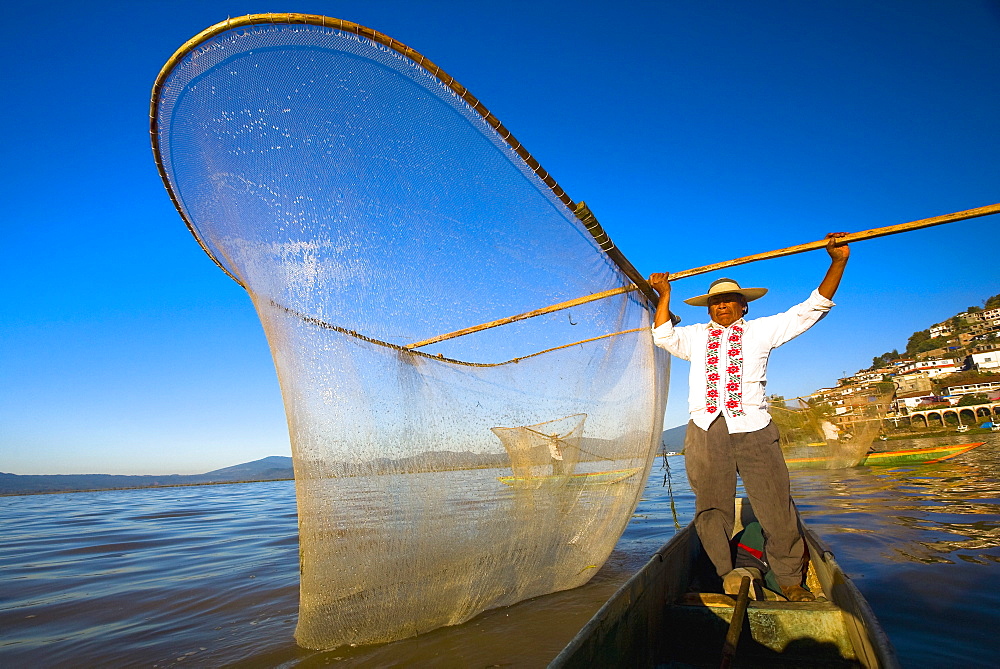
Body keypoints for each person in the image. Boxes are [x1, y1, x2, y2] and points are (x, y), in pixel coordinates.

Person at [648, 233, 849, 602]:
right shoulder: (694, 336)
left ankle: (789, 580)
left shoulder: (761, 331)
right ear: (708, 309)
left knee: (775, 503)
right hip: (706, 428)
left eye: (729, 300)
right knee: (711, 507)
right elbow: (662, 335)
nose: (722, 306)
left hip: (754, 427)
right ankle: (722, 576)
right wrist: (664, 294)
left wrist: (836, 261)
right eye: (715, 302)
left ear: (744, 306)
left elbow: (813, 308)